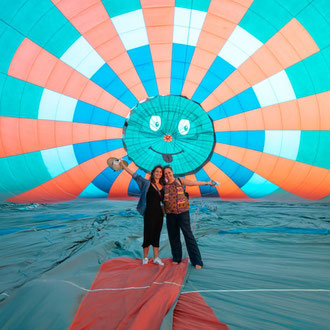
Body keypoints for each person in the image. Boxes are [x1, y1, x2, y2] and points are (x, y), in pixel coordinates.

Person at [163, 166, 216, 269]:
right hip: (171, 214)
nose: (168, 175)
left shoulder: (179, 180)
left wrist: (208, 183)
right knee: (173, 237)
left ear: (172, 172)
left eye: (169, 172)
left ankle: (197, 261)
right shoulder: (163, 186)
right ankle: (176, 258)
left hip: (183, 213)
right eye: (165, 174)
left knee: (188, 235)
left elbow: (193, 183)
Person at [121, 160, 165, 266]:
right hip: (149, 213)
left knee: (157, 234)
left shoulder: (164, 186)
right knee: (148, 234)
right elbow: (135, 175)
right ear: (153, 173)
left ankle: (156, 257)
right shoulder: (146, 183)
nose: (158, 173)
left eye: (160, 172)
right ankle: (145, 258)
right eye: (157, 171)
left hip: (159, 214)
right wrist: (123, 166)